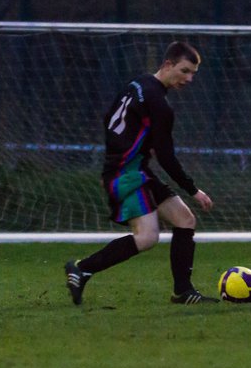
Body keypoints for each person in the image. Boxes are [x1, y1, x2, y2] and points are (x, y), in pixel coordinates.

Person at [64, 41, 218, 306]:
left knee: (184, 219)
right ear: (167, 64)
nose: (189, 79)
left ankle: (183, 291)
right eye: (184, 71)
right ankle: (82, 268)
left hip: (131, 170)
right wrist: (194, 190)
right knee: (147, 237)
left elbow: (109, 119)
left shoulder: (138, 83)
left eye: (193, 73)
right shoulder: (159, 104)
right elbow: (167, 158)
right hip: (128, 174)